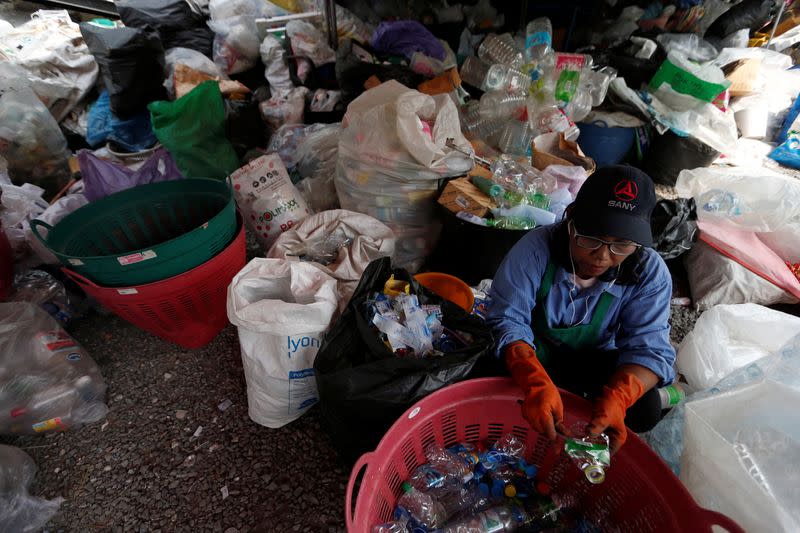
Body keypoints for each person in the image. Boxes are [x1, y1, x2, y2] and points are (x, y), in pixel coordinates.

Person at [487, 165, 675, 453]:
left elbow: (649, 349)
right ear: (570, 220)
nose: (601, 256)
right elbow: (507, 321)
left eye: (621, 245)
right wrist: (535, 382)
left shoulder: (649, 272)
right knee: (485, 372)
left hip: (596, 360)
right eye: (590, 238)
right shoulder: (536, 250)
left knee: (645, 408)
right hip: (536, 353)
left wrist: (619, 398)